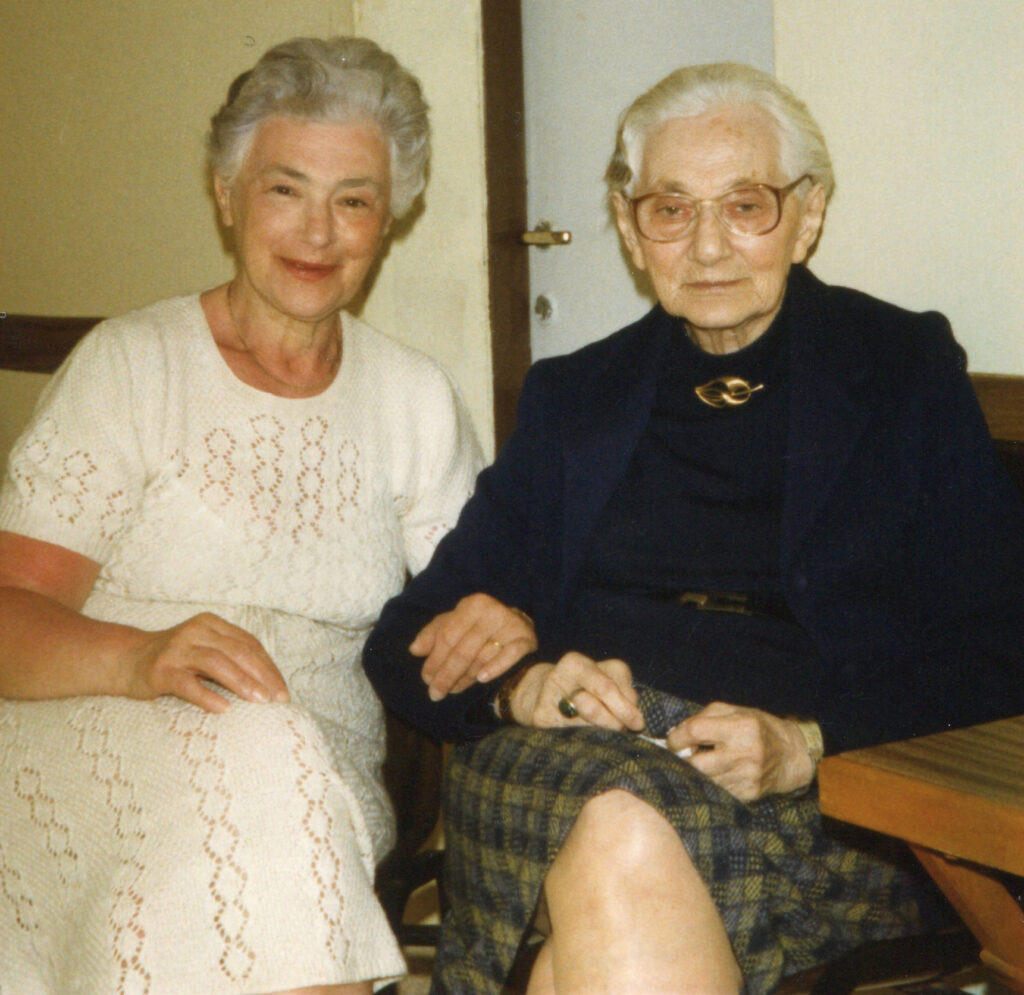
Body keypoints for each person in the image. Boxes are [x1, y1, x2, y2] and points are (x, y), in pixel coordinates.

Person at [363, 62, 1024, 994]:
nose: (708, 245)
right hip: (564, 768)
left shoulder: (902, 369)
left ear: (809, 215)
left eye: (746, 204)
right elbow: (403, 641)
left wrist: (808, 741)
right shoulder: (575, 398)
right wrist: (519, 686)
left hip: (818, 812)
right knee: (621, 819)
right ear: (634, 231)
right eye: (671, 209)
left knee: (606, 895)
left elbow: (1001, 644)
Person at [0, 36, 485, 995]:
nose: (318, 232)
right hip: (88, 735)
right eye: (284, 189)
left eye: (354, 200)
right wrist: (138, 658)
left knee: (272, 751)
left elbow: (464, 617)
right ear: (226, 197)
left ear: (389, 220)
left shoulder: (416, 400)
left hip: (311, 766)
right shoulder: (132, 368)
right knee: (263, 763)